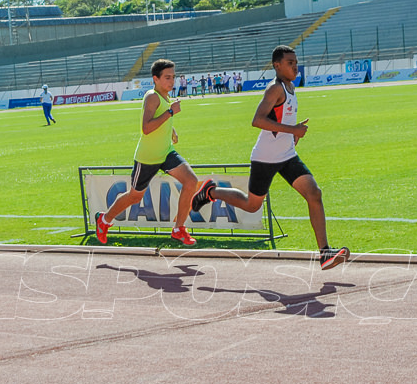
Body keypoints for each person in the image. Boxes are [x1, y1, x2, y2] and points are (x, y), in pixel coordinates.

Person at [188, 45, 350, 270]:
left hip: (286, 156)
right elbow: (258, 120)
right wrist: (293, 130)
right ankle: (210, 191)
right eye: (290, 63)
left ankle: (324, 253)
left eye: (295, 62)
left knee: (314, 193)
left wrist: (294, 133)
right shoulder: (275, 89)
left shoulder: (291, 87)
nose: (295, 66)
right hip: (265, 157)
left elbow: (279, 121)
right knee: (252, 205)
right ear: (277, 65)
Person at [94, 59, 204, 247]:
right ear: (156, 79)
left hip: (166, 152)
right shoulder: (152, 96)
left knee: (191, 181)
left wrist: (171, 130)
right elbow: (146, 128)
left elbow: (160, 120)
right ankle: (104, 220)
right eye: (167, 77)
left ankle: (179, 229)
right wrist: (170, 112)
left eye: (173, 77)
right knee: (135, 196)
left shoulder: (165, 96)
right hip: (148, 157)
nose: (172, 81)